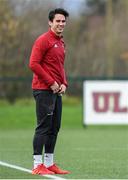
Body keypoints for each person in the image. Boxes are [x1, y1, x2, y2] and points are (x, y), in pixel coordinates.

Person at [29, 8, 70, 175]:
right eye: (57, 21)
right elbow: (33, 63)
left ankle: (49, 163)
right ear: (50, 22)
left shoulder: (61, 43)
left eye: (63, 21)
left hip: (56, 91)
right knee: (44, 127)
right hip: (43, 90)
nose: (61, 24)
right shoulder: (43, 40)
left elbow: (60, 67)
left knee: (55, 127)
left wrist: (64, 83)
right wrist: (51, 82)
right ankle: (37, 164)